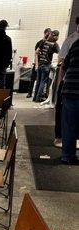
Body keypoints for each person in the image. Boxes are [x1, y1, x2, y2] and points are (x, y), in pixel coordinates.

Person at [54, 16, 79, 146]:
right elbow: (62, 64)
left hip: (69, 84)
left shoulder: (72, 42)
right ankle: (59, 138)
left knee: (69, 118)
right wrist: (60, 85)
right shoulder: (70, 41)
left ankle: (68, 149)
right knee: (66, 117)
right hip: (68, 84)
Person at [60, 38, 79, 164]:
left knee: (68, 125)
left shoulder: (76, 44)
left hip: (69, 90)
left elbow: (64, 66)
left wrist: (62, 82)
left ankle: (67, 156)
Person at [33, 30, 60, 102]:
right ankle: (38, 99)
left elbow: (36, 52)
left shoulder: (44, 42)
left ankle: (34, 98)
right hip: (46, 65)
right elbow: (60, 54)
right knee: (42, 82)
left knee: (38, 81)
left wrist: (41, 55)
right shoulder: (55, 45)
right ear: (56, 36)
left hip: (40, 63)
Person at [27, 28, 51, 98]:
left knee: (41, 80)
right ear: (45, 33)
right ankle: (29, 93)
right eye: (48, 34)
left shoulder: (49, 44)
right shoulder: (39, 43)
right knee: (33, 79)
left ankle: (39, 95)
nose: (49, 36)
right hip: (37, 63)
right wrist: (36, 65)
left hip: (44, 64)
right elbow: (36, 54)